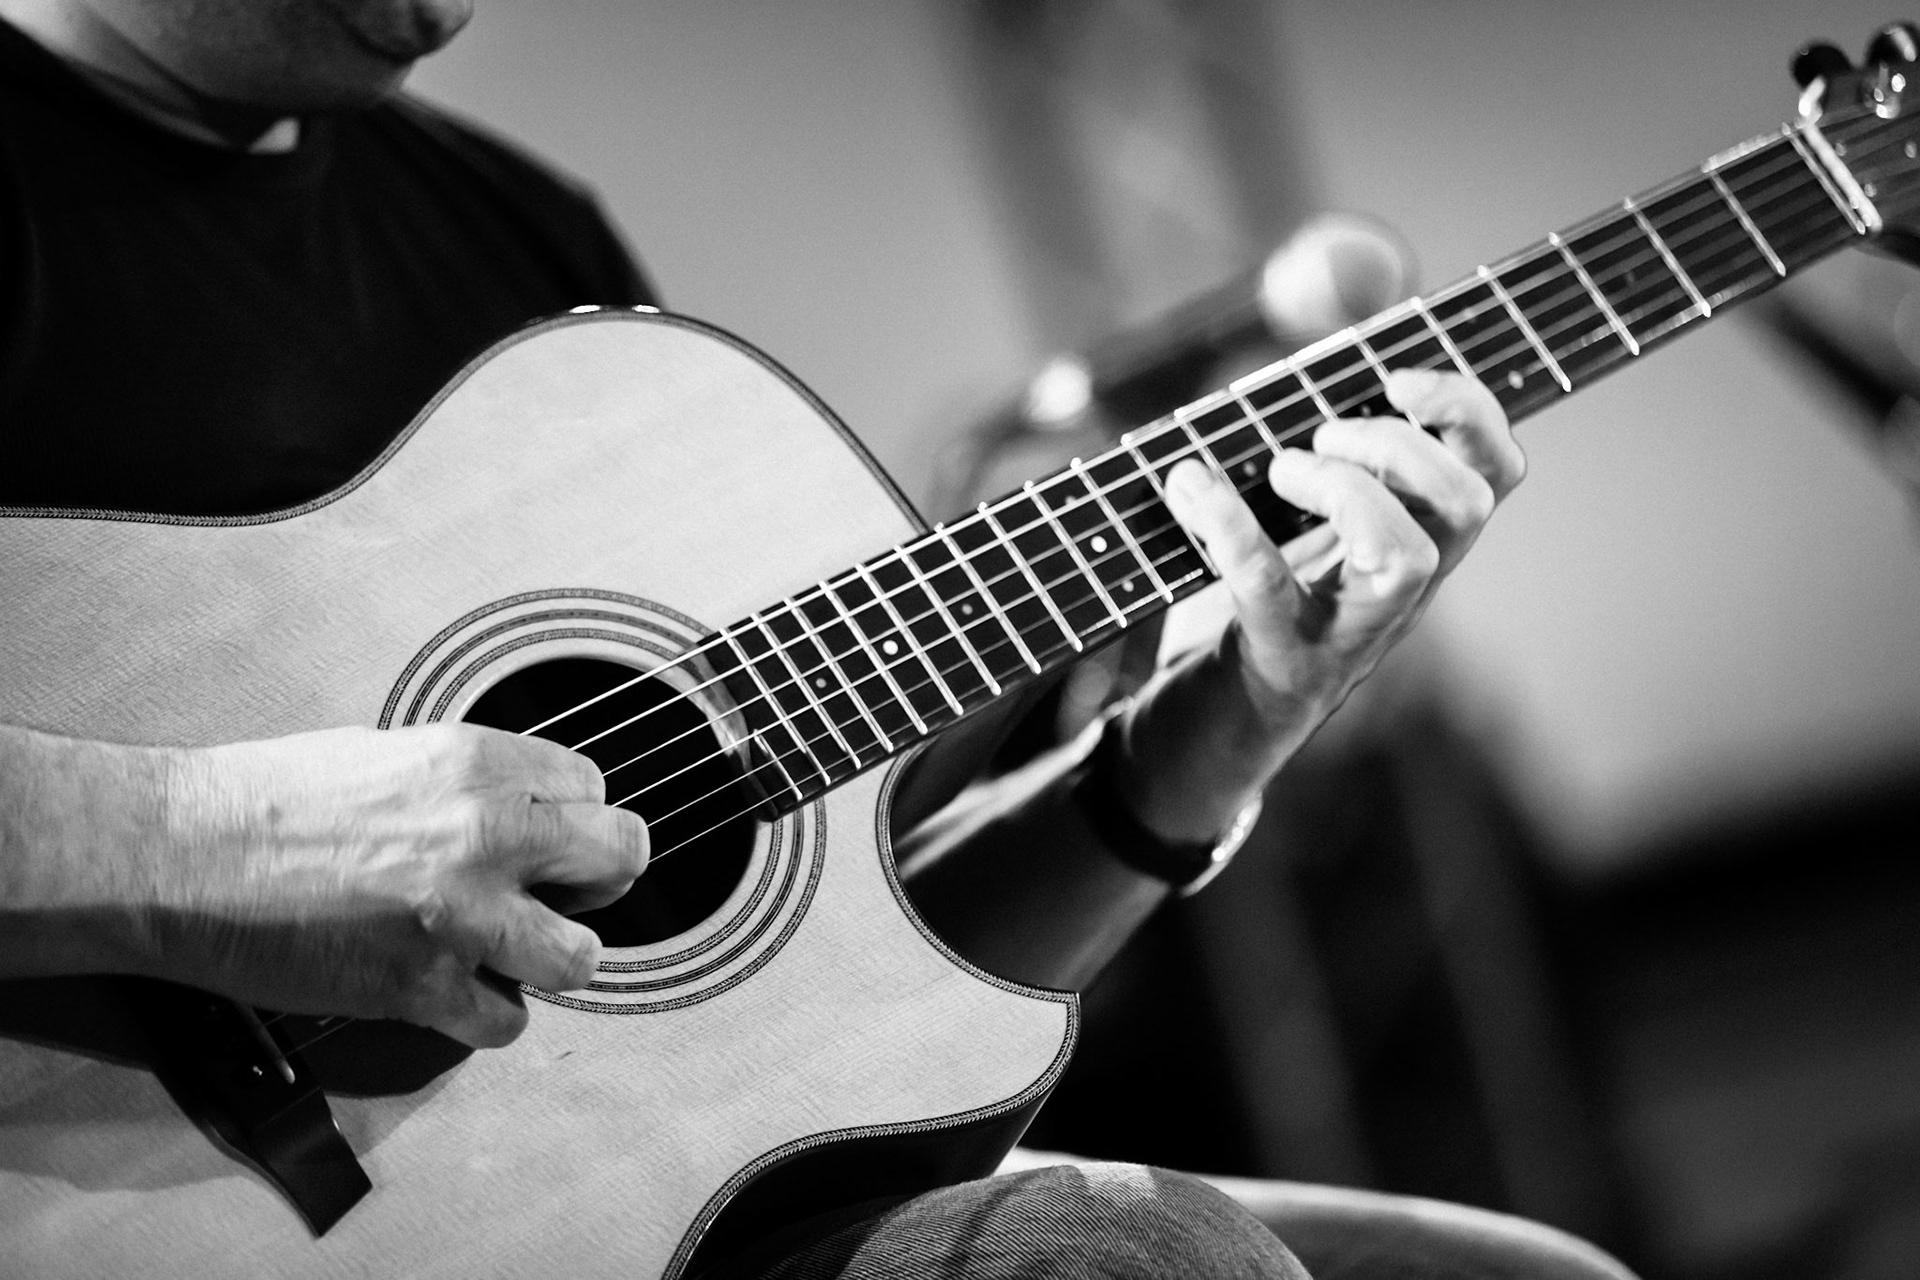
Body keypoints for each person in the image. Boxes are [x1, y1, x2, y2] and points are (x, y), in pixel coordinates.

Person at [0, 2, 1622, 1277]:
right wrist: (208, 840)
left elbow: (842, 1028)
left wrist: (1205, 737)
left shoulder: (524, 248)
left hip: (638, 1218)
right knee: (1134, 1260)